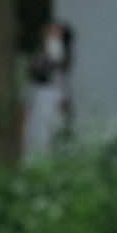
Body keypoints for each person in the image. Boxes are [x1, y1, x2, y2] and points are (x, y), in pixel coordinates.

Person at [21, 20, 72, 161]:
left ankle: (45, 159)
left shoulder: (56, 48)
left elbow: (59, 75)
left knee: (46, 128)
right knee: (35, 128)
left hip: (50, 93)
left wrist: (63, 96)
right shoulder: (41, 50)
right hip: (39, 93)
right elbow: (32, 76)